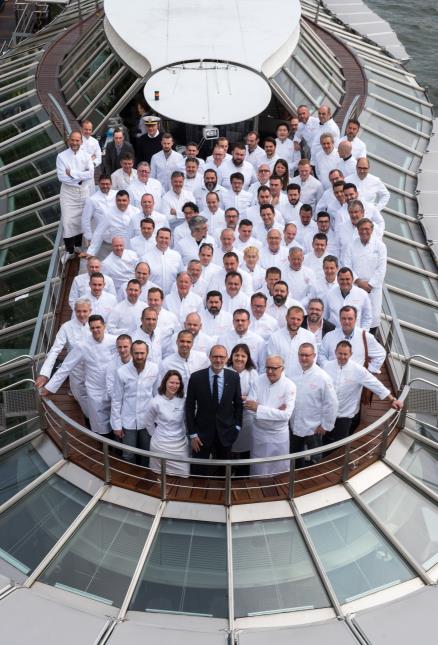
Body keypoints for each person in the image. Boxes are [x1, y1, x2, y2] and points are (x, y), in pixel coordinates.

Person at [41, 315, 117, 437]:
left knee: (118, 423)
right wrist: (49, 388)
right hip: (95, 391)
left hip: (114, 388)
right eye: (93, 328)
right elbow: (66, 367)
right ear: (90, 329)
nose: (96, 330)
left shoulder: (115, 341)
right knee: (101, 427)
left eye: (98, 327)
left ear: (104, 327)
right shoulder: (82, 346)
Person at [323, 340, 403, 442]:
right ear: (335, 352)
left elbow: (375, 384)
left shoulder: (358, 370)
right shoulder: (326, 366)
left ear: (350, 354)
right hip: (327, 413)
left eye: (345, 354)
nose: (342, 357)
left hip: (344, 415)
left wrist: (392, 400)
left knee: (339, 443)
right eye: (340, 353)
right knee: (324, 440)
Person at [185, 344, 243, 475]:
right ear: (210, 357)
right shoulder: (196, 377)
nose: (218, 360)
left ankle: (222, 494)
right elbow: (189, 407)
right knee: (198, 471)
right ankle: (197, 493)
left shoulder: (233, 377)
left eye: (222, 357)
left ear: (227, 358)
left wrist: (237, 427)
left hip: (226, 433)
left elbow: (238, 404)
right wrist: (193, 434)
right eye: (215, 357)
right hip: (201, 435)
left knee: (224, 472)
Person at [35, 298, 91, 416]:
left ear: (90, 311)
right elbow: (54, 351)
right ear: (74, 311)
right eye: (78, 311)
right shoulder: (66, 327)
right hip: (75, 369)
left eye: (85, 311)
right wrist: (45, 374)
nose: (81, 314)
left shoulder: (96, 324)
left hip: (94, 367)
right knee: (81, 398)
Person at [245, 354, 296, 477]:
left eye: (274, 368)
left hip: (278, 435)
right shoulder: (258, 380)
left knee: (279, 469)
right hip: (259, 433)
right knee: (258, 469)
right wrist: (275, 411)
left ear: (282, 369)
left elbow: (286, 415)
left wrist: (259, 408)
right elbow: (249, 408)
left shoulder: (289, 385)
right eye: (267, 367)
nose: (269, 371)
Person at [290, 343, 338, 466]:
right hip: (294, 424)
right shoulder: (291, 372)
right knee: (294, 457)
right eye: (301, 355)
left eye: (307, 355)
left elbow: (332, 403)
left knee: (315, 460)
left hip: (314, 428)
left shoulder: (323, 377)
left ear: (314, 356)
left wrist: (326, 425)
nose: (304, 358)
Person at [111, 340, 159, 463]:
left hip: (148, 420)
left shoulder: (154, 369)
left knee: (147, 453)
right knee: (128, 454)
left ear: (147, 353)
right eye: (136, 353)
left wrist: (158, 420)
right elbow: (116, 399)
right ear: (131, 352)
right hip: (128, 421)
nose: (139, 357)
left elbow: (157, 396)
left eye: (142, 353)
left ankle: (147, 480)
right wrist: (116, 424)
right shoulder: (122, 371)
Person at [343, 217, 387, 332]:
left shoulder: (380, 246)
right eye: (361, 229)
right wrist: (358, 281)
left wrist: (370, 284)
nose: (364, 231)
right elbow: (347, 265)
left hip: (373, 289)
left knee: (372, 319)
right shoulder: (351, 245)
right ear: (357, 230)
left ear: (372, 229)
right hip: (355, 286)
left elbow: (381, 269)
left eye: (367, 229)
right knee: (355, 317)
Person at [56, 130, 94, 259]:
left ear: (81, 142)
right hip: (68, 194)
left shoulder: (87, 156)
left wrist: (72, 173)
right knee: (67, 221)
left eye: (77, 140)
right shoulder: (61, 156)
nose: (74, 143)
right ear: (68, 140)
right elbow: (62, 177)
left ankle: (78, 246)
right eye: (72, 140)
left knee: (81, 220)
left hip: (83, 192)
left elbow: (90, 174)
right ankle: (69, 251)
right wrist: (80, 178)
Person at [145, 370, 189, 477]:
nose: (174, 386)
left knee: (184, 475)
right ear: (165, 382)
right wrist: (156, 436)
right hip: (160, 446)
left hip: (180, 446)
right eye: (171, 382)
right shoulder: (155, 401)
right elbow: (148, 422)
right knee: (158, 476)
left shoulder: (184, 400)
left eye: (177, 383)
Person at [320, 305, 386, 373]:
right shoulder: (329, 336)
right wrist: (327, 366)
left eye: (350, 318)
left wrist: (368, 372)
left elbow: (381, 354)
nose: (347, 321)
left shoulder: (365, 336)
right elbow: (321, 354)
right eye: (344, 318)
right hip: (332, 379)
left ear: (355, 319)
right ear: (340, 319)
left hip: (354, 381)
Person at [267, 305, 317, 380]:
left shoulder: (310, 337)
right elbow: (272, 361)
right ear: (286, 317)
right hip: (280, 381)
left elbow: (312, 360)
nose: (295, 322)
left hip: (302, 380)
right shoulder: (275, 337)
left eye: (298, 319)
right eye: (292, 318)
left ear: (302, 320)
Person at [227, 344, 258, 461]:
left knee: (245, 451)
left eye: (243, 356)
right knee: (228, 449)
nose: (239, 358)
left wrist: (235, 399)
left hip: (246, 418)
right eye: (237, 355)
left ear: (247, 358)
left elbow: (254, 397)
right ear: (232, 356)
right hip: (228, 417)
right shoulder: (225, 370)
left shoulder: (252, 373)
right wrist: (242, 398)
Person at [326, 267, 373, 331]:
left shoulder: (363, 294)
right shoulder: (329, 294)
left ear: (352, 279)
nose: (345, 282)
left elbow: (367, 318)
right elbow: (325, 316)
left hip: (355, 336)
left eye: (347, 279)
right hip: (334, 335)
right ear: (337, 280)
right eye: (342, 279)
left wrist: (362, 334)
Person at [143, 227, 184, 294]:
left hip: (171, 297)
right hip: (152, 298)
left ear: (170, 240)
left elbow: (181, 277)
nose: (164, 240)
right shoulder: (146, 258)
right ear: (156, 238)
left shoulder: (177, 256)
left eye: (166, 238)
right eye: (161, 237)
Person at [82, 174, 116, 245]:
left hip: (120, 235)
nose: (105, 186)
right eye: (103, 184)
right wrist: (89, 237)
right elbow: (85, 220)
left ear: (111, 184)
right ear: (99, 184)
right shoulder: (92, 200)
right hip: (103, 239)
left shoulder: (117, 195)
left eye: (107, 184)